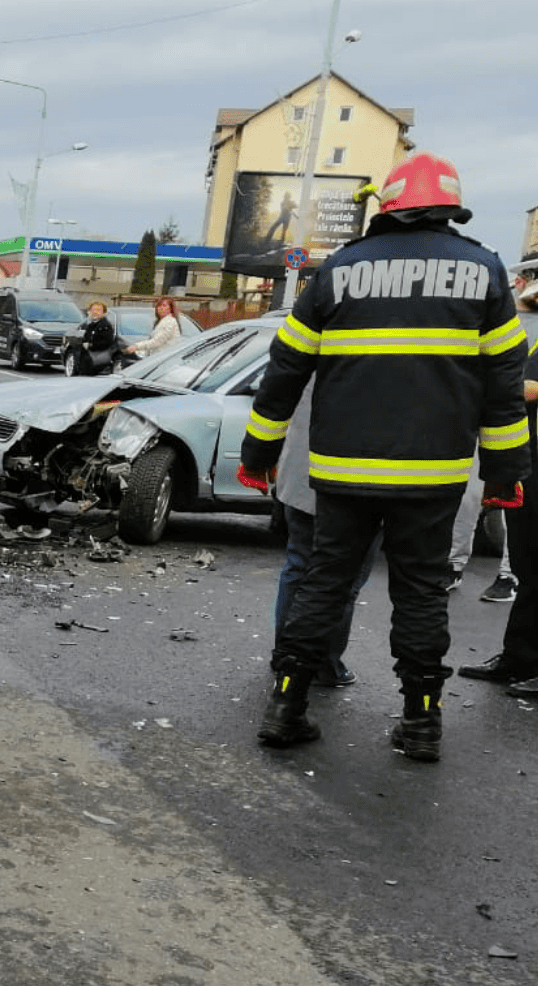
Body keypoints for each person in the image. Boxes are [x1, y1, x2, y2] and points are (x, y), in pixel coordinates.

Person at [238, 152, 530, 761]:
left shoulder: (341, 269)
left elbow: (285, 370)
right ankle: (421, 722)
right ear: (451, 206)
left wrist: (257, 452)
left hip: (342, 470)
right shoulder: (485, 271)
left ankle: (286, 706)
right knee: (422, 593)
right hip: (433, 476)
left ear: (387, 204)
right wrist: (506, 475)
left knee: (324, 581)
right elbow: (504, 386)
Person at [459, 277, 538, 697]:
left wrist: (508, 387)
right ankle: (519, 658)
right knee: (530, 571)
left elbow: (527, 388)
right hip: (531, 468)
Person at [273, 380, 379, 688]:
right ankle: (323, 663)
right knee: (346, 578)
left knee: (298, 567)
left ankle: (286, 657)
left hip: (302, 471)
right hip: (356, 479)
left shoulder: (313, 333)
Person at [71, 300, 118, 375]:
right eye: (93, 310)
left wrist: (91, 345)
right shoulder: (91, 325)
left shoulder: (105, 326)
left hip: (98, 364)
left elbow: (107, 342)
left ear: (104, 312)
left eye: (98, 310)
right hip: (88, 361)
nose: (95, 312)